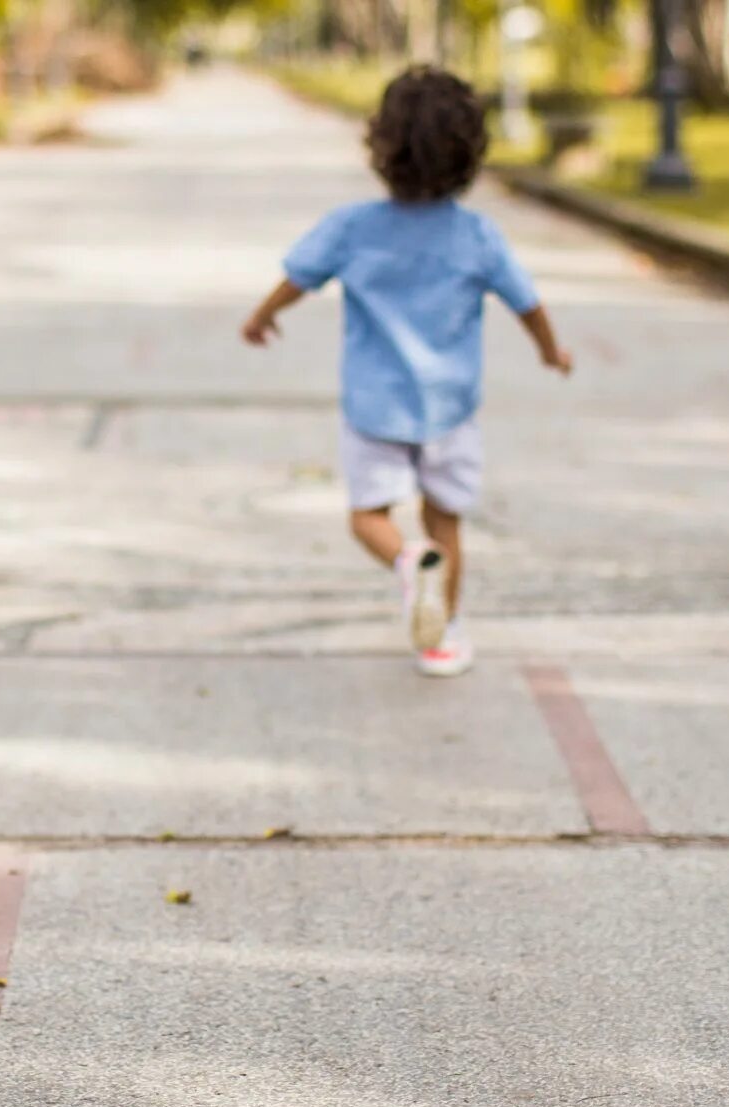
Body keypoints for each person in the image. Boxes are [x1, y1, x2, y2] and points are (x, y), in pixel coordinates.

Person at [241, 66, 573, 677]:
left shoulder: (351, 228)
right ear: (472, 154)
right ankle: (442, 638)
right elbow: (528, 303)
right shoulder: (477, 236)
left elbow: (297, 279)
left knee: (368, 516)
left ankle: (403, 559)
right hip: (449, 408)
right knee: (444, 520)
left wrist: (262, 317)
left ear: (380, 146)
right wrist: (551, 352)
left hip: (375, 409)